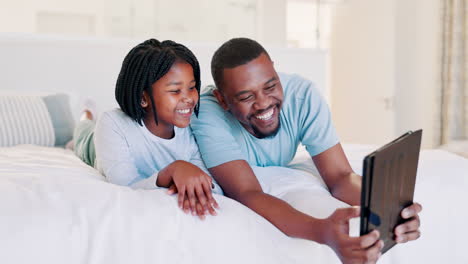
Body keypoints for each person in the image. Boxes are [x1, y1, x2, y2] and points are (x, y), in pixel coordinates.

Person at [190, 38, 423, 263]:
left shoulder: (302, 95)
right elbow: (248, 193)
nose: (263, 103)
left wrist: (390, 209)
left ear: (275, 72)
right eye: (246, 97)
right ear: (221, 99)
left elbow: (340, 177)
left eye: (270, 86)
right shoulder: (207, 112)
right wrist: (323, 232)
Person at [72, 39, 221, 219]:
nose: (189, 98)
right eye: (175, 91)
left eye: (191, 88)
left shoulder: (191, 128)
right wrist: (169, 173)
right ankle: (86, 113)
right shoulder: (112, 123)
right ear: (143, 98)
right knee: (81, 133)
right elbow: (124, 186)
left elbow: (210, 184)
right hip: (94, 146)